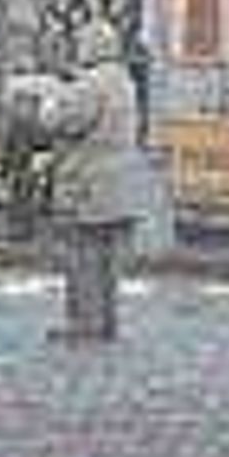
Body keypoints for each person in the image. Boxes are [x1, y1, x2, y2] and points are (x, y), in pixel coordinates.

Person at [35, 18, 149, 343]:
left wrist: (50, 103)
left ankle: (84, 322)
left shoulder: (90, 84)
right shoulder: (124, 81)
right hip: (120, 181)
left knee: (82, 256)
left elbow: (63, 122)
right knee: (108, 259)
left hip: (87, 180)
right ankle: (107, 321)